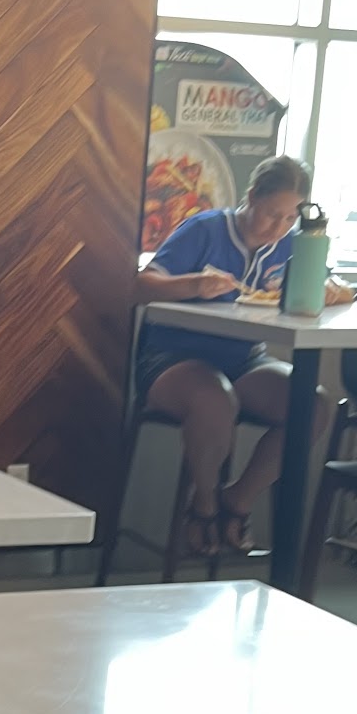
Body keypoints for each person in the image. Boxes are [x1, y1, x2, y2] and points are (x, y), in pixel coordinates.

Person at [136, 154, 338, 558]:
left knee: (311, 405)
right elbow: (142, 284)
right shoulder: (205, 229)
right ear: (252, 196)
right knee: (215, 399)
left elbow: (326, 284)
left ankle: (238, 501)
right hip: (172, 358)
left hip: (244, 359)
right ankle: (204, 505)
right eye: (272, 214)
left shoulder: (292, 246)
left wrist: (328, 288)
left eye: (289, 218)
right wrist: (195, 284)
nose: (278, 227)